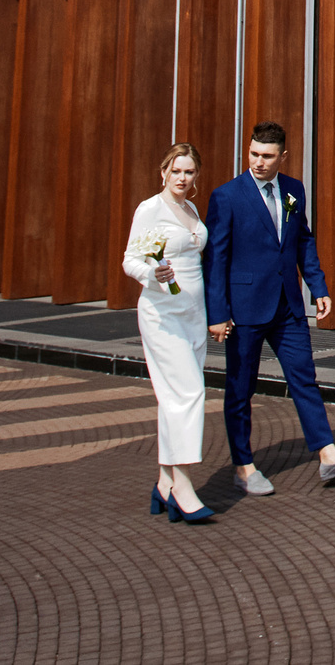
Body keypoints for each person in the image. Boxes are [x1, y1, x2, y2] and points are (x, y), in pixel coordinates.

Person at [206, 121, 335, 491]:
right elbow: (215, 258)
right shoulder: (227, 196)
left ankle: (328, 456)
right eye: (253, 154)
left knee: (304, 379)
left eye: (266, 156)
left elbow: (302, 241)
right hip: (244, 310)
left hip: (287, 307)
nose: (258, 162)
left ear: (283, 156)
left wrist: (318, 286)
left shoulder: (294, 190)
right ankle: (244, 467)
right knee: (240, 388)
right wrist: (217, 314)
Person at [122, 143, 218, 524]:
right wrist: (152, 274)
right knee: (189, 392)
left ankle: (163, 484)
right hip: (162, 316)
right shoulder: (152, 209)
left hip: (193, 315)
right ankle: (182, 485)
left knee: (174, 398)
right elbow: (133, 260)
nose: (182, 178)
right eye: (176, 171)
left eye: (189, 172)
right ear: (163, 172)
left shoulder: (191, 209)